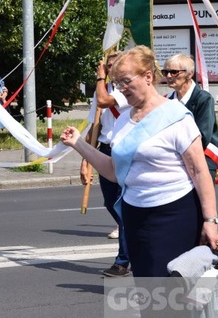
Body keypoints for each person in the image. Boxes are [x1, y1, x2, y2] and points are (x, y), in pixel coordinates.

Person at [61, 46, 218, 277]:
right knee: (148, 292)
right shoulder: (124, 119)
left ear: (148, 77)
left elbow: (199, 172)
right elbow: (113, 171)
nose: (121, 89)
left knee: (172, 292)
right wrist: (79, 144)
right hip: (135, 216)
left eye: (126, 81)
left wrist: (211, 221)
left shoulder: (176, 116)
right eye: (117, 83)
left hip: (174, 214)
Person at [79, 52, 131, 278]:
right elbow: (96, 125)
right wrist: (86, 159)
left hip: (125, 150)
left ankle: (122, 261)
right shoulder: (101, 89)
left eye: (114, 65)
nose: (110, 69)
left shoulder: (127, 87)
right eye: (107, 66)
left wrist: (100, 79)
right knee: (110, 203)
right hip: (106, 150)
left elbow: (104, 101)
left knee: (122, 206)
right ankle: (136, 235)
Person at [164, 53, 218, 183]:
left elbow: (202, 137)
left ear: (189, 74)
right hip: (175, 163)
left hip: (201, 162)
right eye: (165, 72)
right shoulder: (167, 99)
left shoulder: (203, 98)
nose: (168, 76)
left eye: (173, 72)